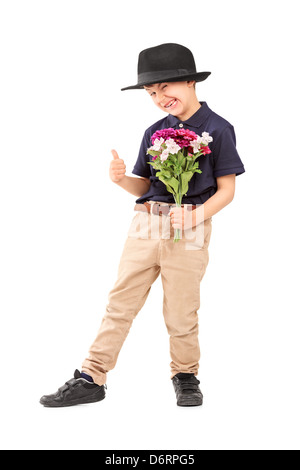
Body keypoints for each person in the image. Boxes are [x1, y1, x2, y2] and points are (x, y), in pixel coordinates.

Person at [40, 43, 245, 408]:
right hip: (145, 225)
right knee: (120, 302)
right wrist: (121, 180)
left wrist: (196, 215)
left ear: (190, 82)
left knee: (181, 310)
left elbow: (227, 189)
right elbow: (145, 186)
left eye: (166, 87)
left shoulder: (217, 128)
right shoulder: (154, 132)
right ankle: (92, 377)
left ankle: (185, 375)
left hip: (190, 230)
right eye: (151, 92)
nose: (159, 97)